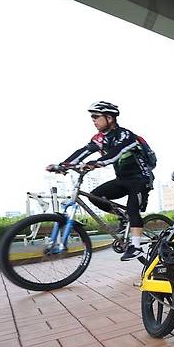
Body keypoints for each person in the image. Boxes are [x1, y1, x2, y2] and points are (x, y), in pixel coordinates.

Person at [48, 101, 155, 261]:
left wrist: (96, 163)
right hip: (122, 180)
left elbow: (116, 153)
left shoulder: (127, 136)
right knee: (95, 195)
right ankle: (123, 216)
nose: (94, 121)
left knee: (133, 207)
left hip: (140, 179)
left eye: (96, 117)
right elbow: (83, 151)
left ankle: (136, 246)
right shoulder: (99, 139)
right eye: (92, 118)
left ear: (109, 118)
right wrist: (64, 165)